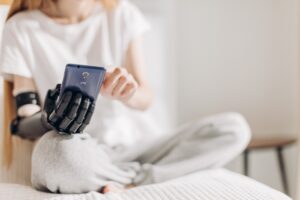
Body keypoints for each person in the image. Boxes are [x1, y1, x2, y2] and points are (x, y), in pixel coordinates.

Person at [0, 0, 251, 194]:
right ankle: (134, 176)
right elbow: (23, 121)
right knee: (53, 155)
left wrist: (128, 94)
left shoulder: (120, 14)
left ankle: (128, 179)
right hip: (78, 149)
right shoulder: (21, 28)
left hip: (135, 146)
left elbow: (146, 98)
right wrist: (50, 119)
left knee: (233, 128)